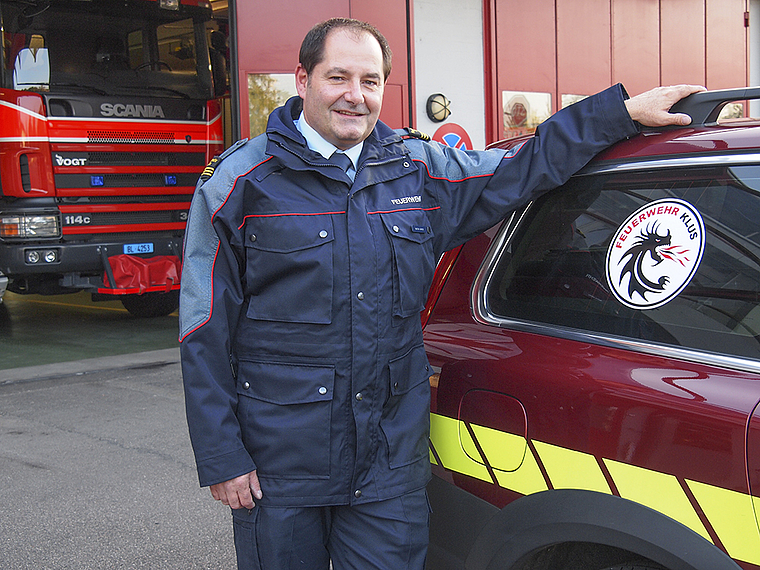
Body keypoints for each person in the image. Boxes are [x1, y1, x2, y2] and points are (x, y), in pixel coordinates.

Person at [179, 17, 703, 570]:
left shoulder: (418, 171)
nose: (355, 96)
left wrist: (615, 116)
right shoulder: (239, 184)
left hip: (386, 466)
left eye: (371, 81)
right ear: (302, 80)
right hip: (279, 465)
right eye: (338, 78)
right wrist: (222, 456)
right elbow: (202, 328)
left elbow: (523, 167)